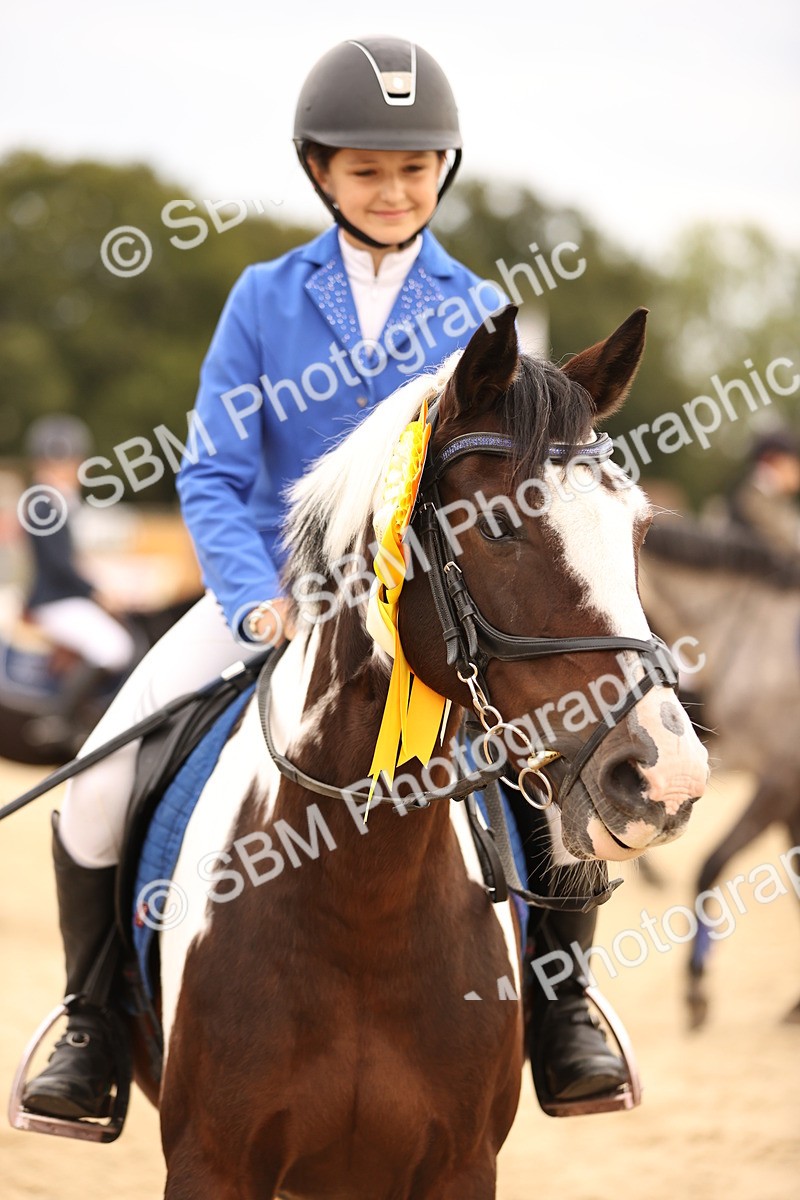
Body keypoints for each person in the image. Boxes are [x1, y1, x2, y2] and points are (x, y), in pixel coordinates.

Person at [22, 36, 626, 1124]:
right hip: (267, 597)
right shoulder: (262, 297)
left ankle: (561, 1009)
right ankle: (91, 1021)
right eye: (366, 170)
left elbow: (510, 485)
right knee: (99, 778)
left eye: (413, 168)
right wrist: (253, 596)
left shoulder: (478, 308)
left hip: (421, 618)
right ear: (319, 172)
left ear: (442, 169)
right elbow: (212, 470)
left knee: (550, 772)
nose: (393, 191)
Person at [22, 416, 136, 742]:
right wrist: (97, 593)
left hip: (66, 598)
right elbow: (60, 565)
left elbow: (74, 560)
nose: (74, 470)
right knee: (115, 648)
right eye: (69, 463)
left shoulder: (57, 502)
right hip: (55, 601)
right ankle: (59, 720)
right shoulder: (43, 503)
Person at [728, 429, 800, 558]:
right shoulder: (752, 500)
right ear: (774, 459)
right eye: (794, 462)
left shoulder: (777, 500)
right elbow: (789, 542)